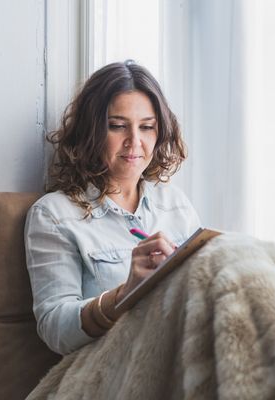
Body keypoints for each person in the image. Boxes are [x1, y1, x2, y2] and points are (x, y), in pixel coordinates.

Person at [24, 61, 201, 355]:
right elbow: (54, 328)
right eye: (117, 126)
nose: (135, 142)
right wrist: (124, 293)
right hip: (111, 367)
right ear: (91, 131)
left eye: (147, 127)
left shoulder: (175, 205)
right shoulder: (54, 215)